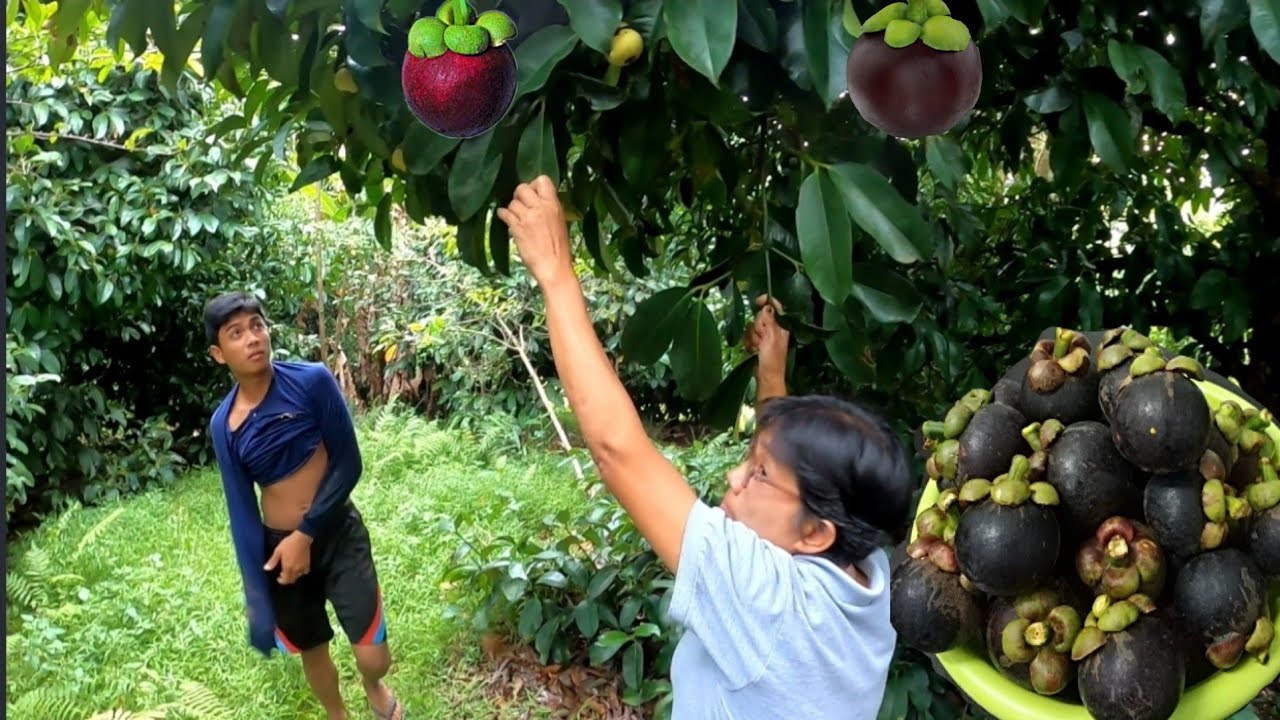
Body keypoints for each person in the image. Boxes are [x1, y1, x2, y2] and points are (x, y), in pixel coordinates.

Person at [496, 177, 914, 720]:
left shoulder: (772, 608)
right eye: (751, 463)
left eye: (758, 475)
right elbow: (797, 474)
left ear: (815, 533)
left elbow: (617, 451)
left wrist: (556, 275)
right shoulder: (866, 571)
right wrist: (771, 371)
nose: (734, 480)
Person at [204, 292, 404, 720]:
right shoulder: (224, 425)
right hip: (283, 557)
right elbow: (242, 512)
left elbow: (349, 463)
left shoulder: (312, 381)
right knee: (312, 648)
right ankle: (338, 714)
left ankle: (373, 685)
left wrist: (307, 534)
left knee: (374, 658)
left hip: (336, 534)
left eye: (257, 325)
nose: (252, 338)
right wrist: (258, 596)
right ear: (219, 354)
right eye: (236, 334)